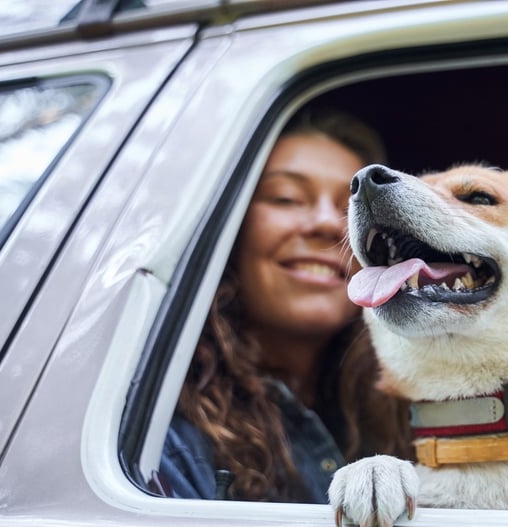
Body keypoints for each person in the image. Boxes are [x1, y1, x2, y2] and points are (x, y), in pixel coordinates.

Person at [157, 108, 411, 503]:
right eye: (287, 198)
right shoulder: (159, 442)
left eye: (350, 209)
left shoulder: (406, 415)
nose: (329, 224)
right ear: (229, 231)